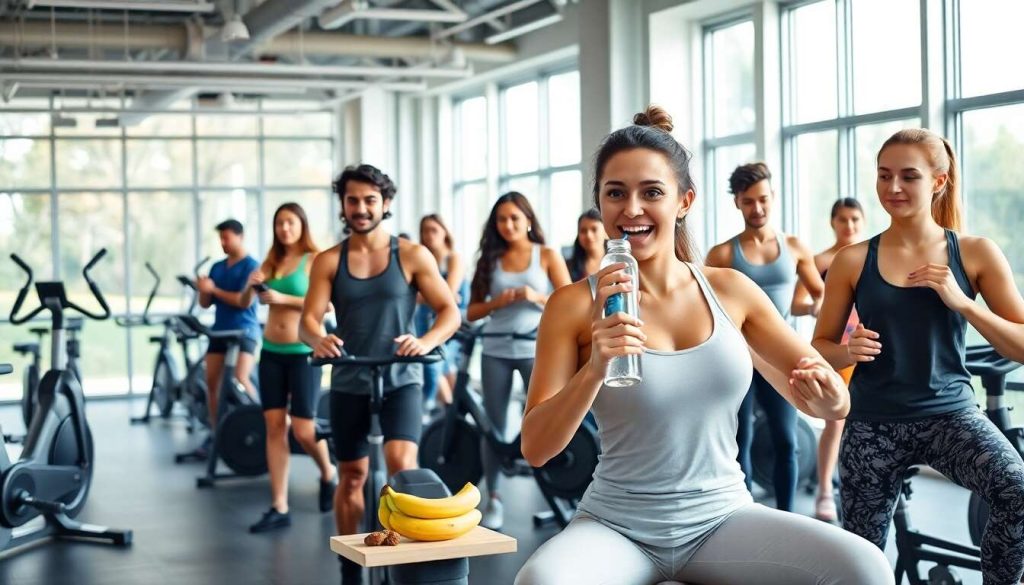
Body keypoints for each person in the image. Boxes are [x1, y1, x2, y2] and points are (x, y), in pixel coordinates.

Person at [514, 105, 891, 585]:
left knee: (864, 567)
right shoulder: (571, 306)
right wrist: (595, 369)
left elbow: (827, 396)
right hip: (616, 524)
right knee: (539, 581)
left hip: (722, 517)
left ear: (684, 200)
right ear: (600, 203)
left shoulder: (731, 290)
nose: (632, 209)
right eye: (616, 193)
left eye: (652, 192)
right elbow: (537, 449)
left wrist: (831, 396)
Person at [812, 128, 1024, 584]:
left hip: (949, 417)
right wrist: (846, 351)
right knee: (860, 555)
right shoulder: (852, 259)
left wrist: (964, 304)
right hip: (873, 423)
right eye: (884, 175)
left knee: (1017, 490)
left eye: (908, 176)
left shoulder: (974, 253)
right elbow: (819, 347)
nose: (893, 187)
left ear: (938, 181)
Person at [299, 164, 460, 585]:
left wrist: (426, 341)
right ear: (342, 205)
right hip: (350, 378)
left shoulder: (411, 255)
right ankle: (350, 570)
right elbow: (308, 321)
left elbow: (450, 311)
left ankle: (406, 567)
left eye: (370, 200)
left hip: (401, 378)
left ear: (385, 203)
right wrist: (318, 338)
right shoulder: (329, 260)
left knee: (401, 468)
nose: (361, 208)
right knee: (352, 476)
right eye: (352, 200)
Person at [705, 162, 824, 511]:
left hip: (780, 358)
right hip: (738, 359)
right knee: (740, 441)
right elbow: (708, 307)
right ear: (737, 203)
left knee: (787, 441)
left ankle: (787, 518)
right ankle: (743, 517)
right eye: (748, 201)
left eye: (762, 199)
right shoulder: (722, 254)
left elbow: (818, 294)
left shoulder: (795, 247)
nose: (757, 208)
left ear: (773, 196)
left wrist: (811, 311)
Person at [466, 192, 572, 530]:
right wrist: (496, 303)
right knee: (492, 425)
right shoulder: (489, 259)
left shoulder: (546, 255)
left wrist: (536, 296)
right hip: (495, 350)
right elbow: (471, 312)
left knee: (546, 419)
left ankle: (556, 490)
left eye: (514, 218)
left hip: (535, 349)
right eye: (502, 219)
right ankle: (494, 498)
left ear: (528, 220)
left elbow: (570, 300)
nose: (508, 225)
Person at [241, 203, 336, 534]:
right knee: (273, 427)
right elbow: (245, 303)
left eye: (290, 222)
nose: (284, 228)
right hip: (271, 352)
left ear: (301, 225)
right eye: (279, 223)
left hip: (303, 352)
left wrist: (282, 299)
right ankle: (279, 505)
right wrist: (252, 286)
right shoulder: (270, 261)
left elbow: (328, 305)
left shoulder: (314, 260)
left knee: (303, 430)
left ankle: (328, 472)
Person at [792, 197, 865, 521]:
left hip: (867, 348)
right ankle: (824, 491)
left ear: (862, 222)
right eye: (843, 219)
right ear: (833, 222)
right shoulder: (820, 261)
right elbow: (796, 303)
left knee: (865, 424)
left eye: (854, 219)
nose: (849, 225)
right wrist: (814, 306)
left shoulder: (869, 257)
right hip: (835, 348)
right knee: (835, 423)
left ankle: (858, 490)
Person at [197, 219, 260, 435]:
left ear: (240, 237)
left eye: (226, 238)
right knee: (212, 383)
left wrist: (214, 290)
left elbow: (243, 301)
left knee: (239, 378)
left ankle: (263, 426)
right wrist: (204, 290)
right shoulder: (217, 267)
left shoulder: (252, 266)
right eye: (221, 238)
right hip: (219, 331)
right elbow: (205, 304)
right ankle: (218, 435)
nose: (223, 242)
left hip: (245, 331)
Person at [414, 213, 468, 414]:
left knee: (439, 365)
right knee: (440, 367)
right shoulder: (424, 260)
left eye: (434, 230)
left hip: (451, 324)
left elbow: (449, 294)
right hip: (424, 320)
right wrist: (440, 295)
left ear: (445, 232)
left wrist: (426, 295)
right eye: (425, 231)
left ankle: (441, 410)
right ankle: (449, 412)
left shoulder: (454, 259)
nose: (429, 235)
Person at [566, 208, 609, 282]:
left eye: (594, 229)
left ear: (606, 232)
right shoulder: (568, 266)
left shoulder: (617, 261)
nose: (588, 235)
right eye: (583, 231)